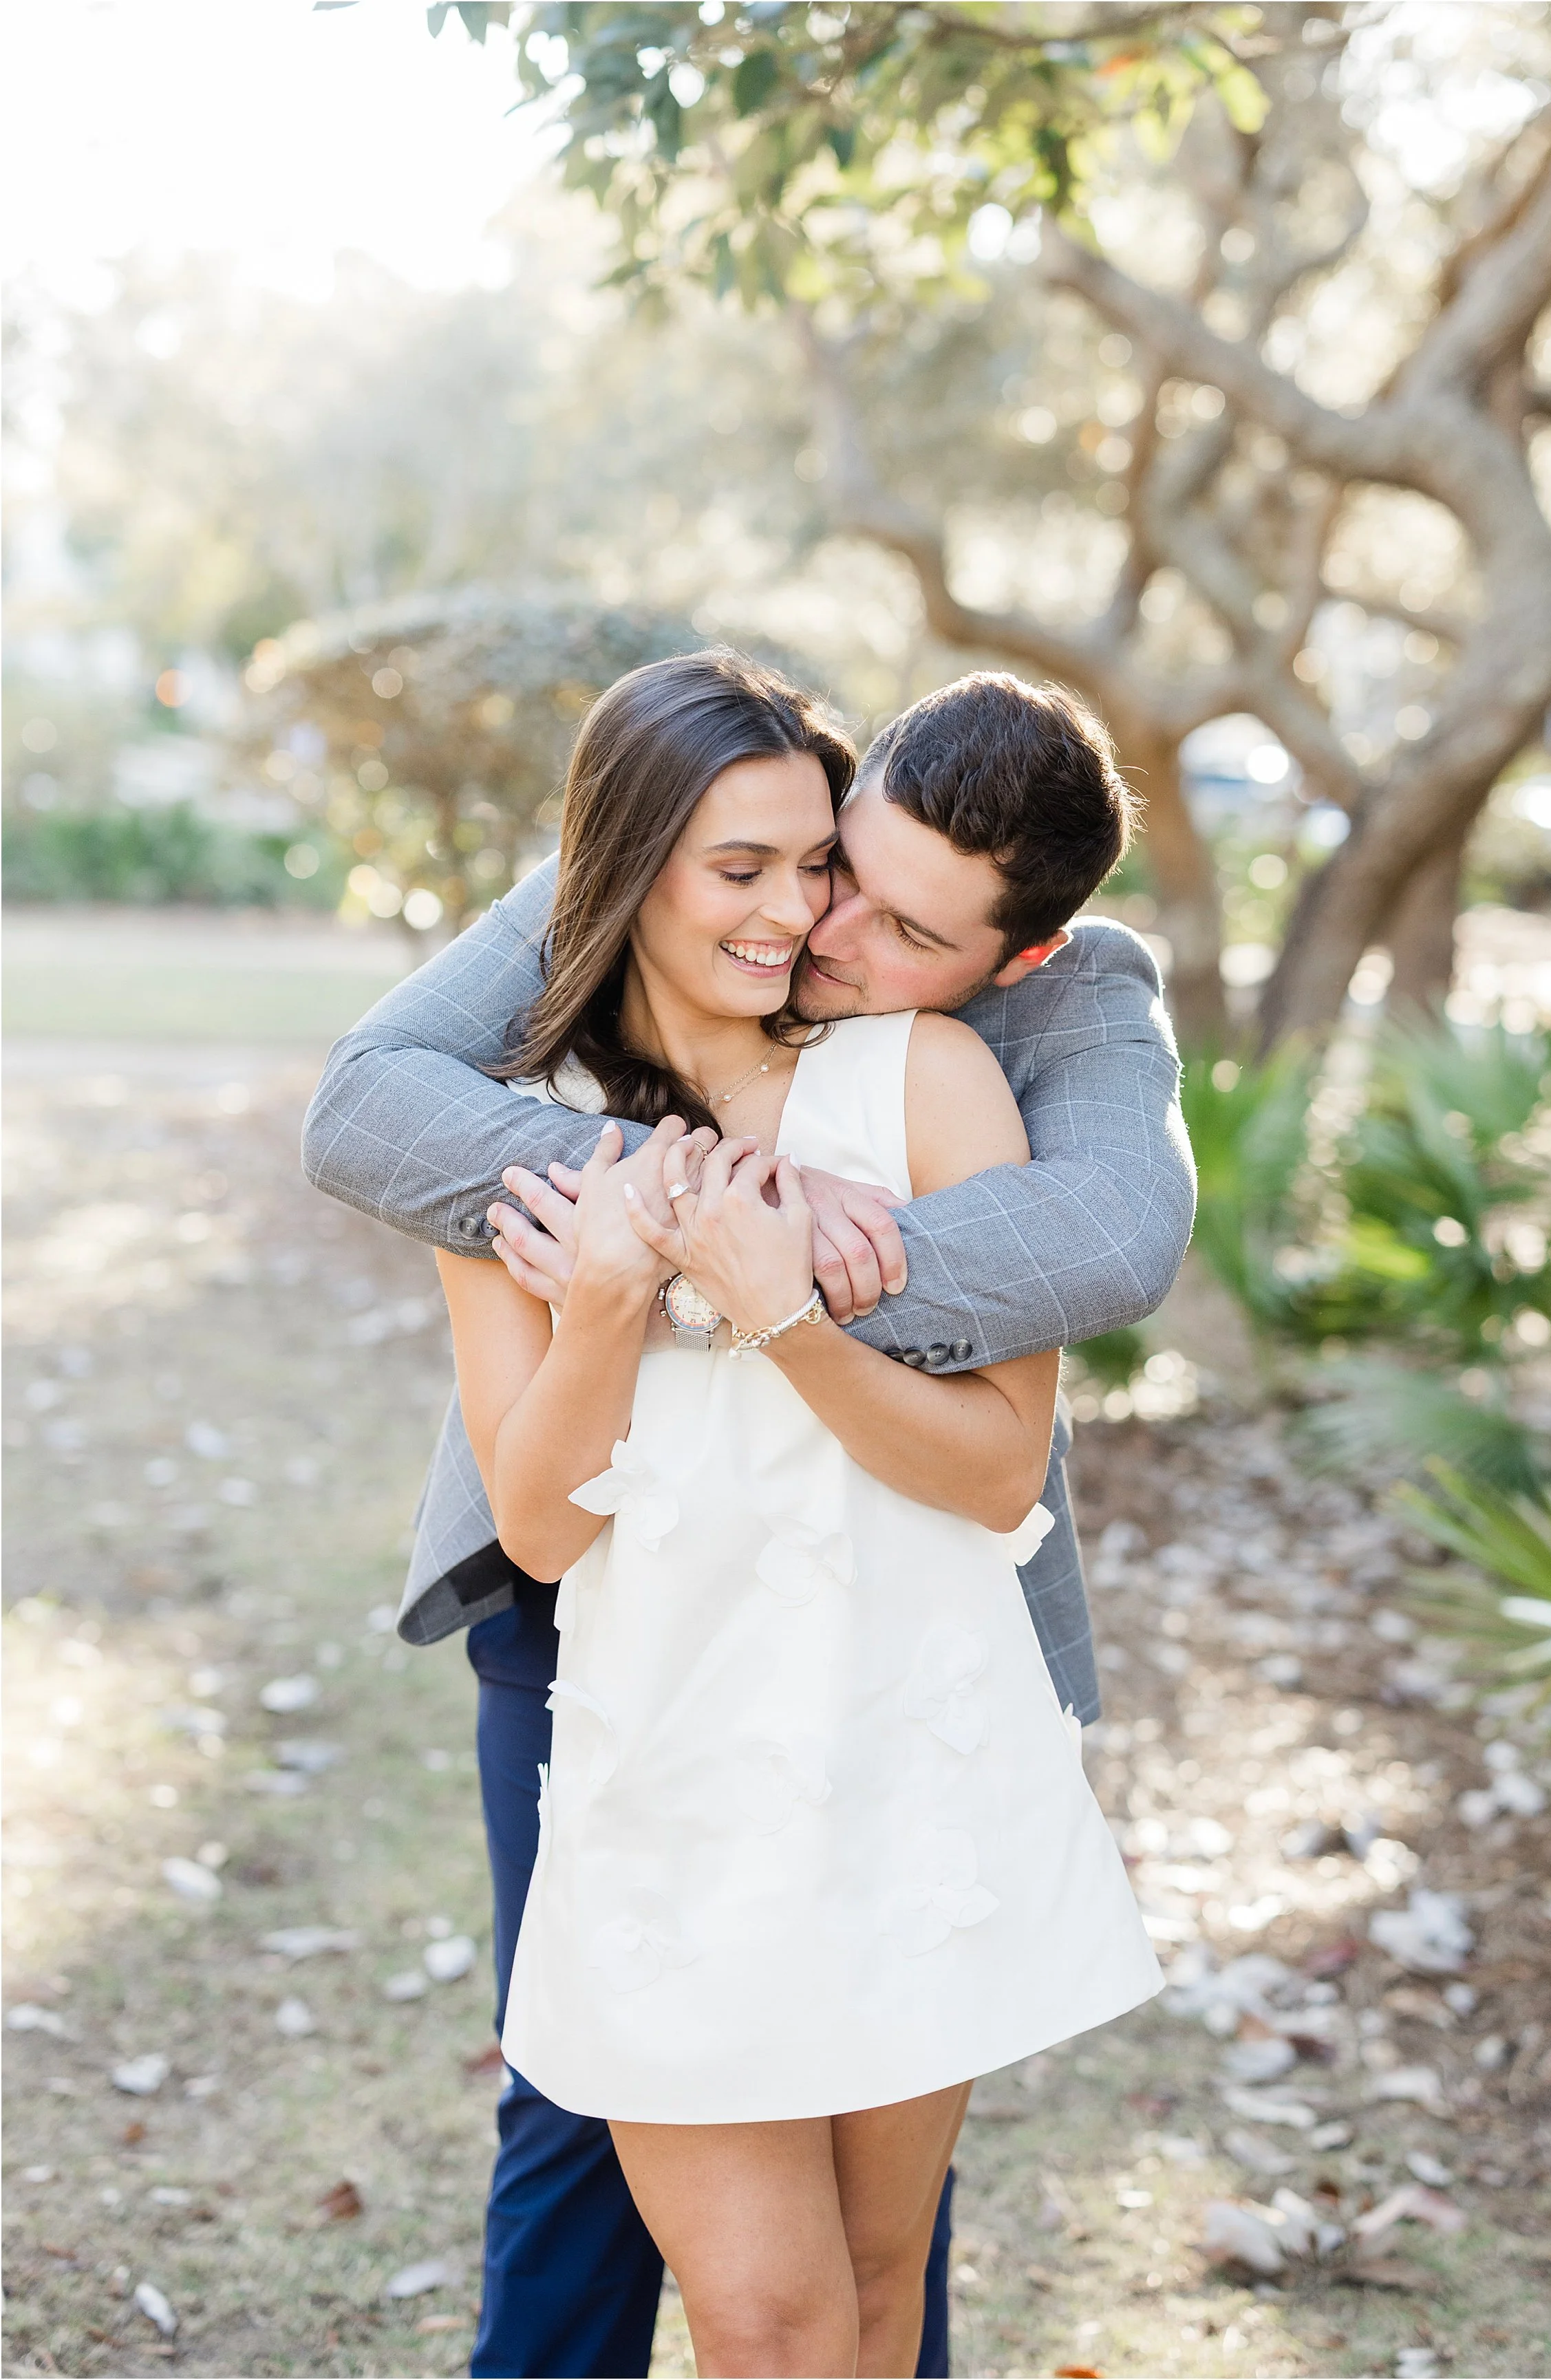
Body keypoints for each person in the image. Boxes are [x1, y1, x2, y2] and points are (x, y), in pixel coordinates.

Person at [302, 653, 1197, 2380]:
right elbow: (367, 1125)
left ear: (1013, 958)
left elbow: (1104, 1248)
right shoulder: (530, 1134)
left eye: (873, 910)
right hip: (616, 1679)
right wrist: (650, 1253)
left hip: (887, 1666)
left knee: (870, 2266)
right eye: (796, 868)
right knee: (607, 2142)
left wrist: (763, 1271)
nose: (818, 924)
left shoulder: (973, 1048)